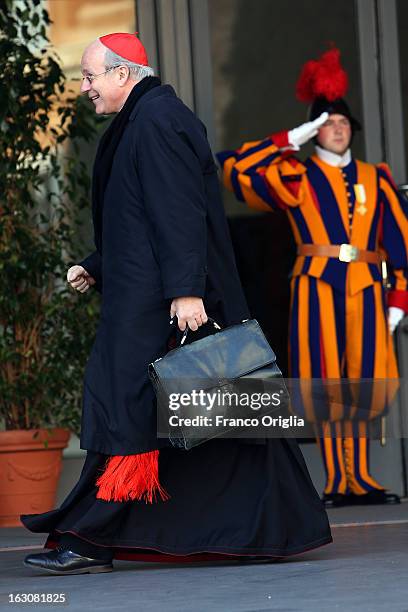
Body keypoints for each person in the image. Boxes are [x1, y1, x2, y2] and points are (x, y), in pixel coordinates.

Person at [21, 33, 331, 575]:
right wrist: (96, 265)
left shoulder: (158, 121)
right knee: (206, 421)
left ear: (123, 74)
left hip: (161, 305)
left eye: (91, 77)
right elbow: (138, 217)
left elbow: (181, 214)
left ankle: (91, 537)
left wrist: (186, 292)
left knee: (135, 414)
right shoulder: (143, 119)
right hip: (148, 297)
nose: (85, 87)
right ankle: (275, 524)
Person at [217, 47, 408, 508]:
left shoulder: (375, 177)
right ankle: (337, 481)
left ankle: (361, 479)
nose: (339, 130)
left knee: (363, 381)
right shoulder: (295, 174)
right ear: (314, 131)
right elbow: (233, 166)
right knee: (323, 382)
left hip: (365, 287)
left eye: (344, 124)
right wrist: (288, 137)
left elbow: (399, 239)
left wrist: (399, 297)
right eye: (328, 124)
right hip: (316, 285)